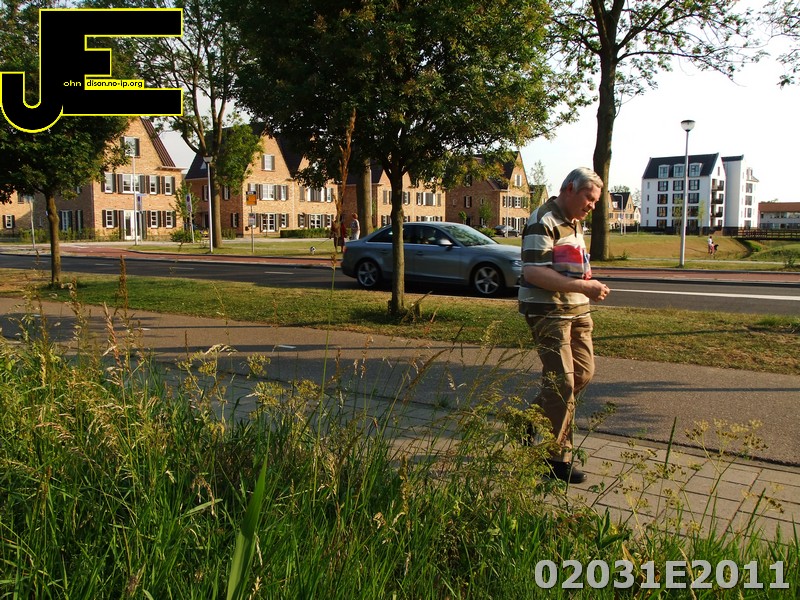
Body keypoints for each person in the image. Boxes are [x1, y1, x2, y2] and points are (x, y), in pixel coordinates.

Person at [518, 167, 611, 484]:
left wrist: (587, 287)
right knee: (563, 385)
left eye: (596, 201)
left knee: (583, 373)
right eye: (589, 198)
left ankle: (529, 420)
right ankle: (556, 459)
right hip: (548, 312)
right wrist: (585, 287)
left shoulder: (575, 221)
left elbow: (571, 266)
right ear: (569, 188)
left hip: (578, 311)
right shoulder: (542, 220)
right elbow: (533, 272)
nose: (592, 206)